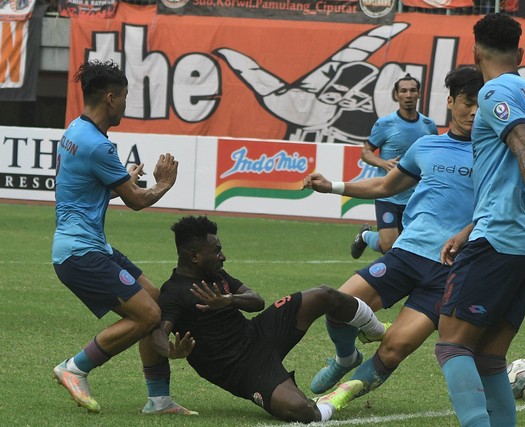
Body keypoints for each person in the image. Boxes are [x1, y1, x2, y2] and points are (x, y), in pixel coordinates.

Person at [302, 67, 483, 405]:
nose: (473, 111)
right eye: (466, 103)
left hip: (451, 270)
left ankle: (334, 401)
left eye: (479, 105)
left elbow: (499, 208)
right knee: (337, 305)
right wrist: (333, 187)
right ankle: (345, 358)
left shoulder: (494, 154)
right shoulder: (427, 146)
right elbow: (385, 185)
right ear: (451, 102)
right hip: (406, 254)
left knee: (394, 348)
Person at [435, 14, 525, 427]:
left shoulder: (494, 91)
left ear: (475, 51)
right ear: (520, 53)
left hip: (501, 238)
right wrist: (469, 229)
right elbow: (506, 171)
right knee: (489, 357)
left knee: (452, 346)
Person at [51, 60, 195, 415]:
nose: (126, 105)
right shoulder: (98, 146)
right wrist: (164, 183)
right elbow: (136, 201)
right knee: (147, 315)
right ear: (111, 98)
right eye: (126, 97)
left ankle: (159, 400)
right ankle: (75, 368)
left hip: (85, 245)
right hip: (79, 252)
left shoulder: (75, 131)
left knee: (153, 298)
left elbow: (86, 189)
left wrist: (123, 178)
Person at [155, 215, 389, 423]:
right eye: (216, 250)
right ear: (194, 256)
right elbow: (157, 333)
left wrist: (229, 300)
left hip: (257, 333)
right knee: (302, 411)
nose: (222, 256)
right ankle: (337, 397)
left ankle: (375, 331)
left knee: (323, 294)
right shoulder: (174, 293)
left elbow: (257, 300)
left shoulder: (217, 275)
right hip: (240, 368)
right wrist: (170, 351)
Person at [350, 74, 438, 259]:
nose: (408, 95)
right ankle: (365, 236)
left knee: (411, 246)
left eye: (412, 90)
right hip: (388, 195)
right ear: (396, 95)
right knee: (389, 245)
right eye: (403, 91)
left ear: (419, 94)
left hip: (416, 198)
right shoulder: (385, 124)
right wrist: (382, 162)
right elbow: (365, 152)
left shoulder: (429, 126)